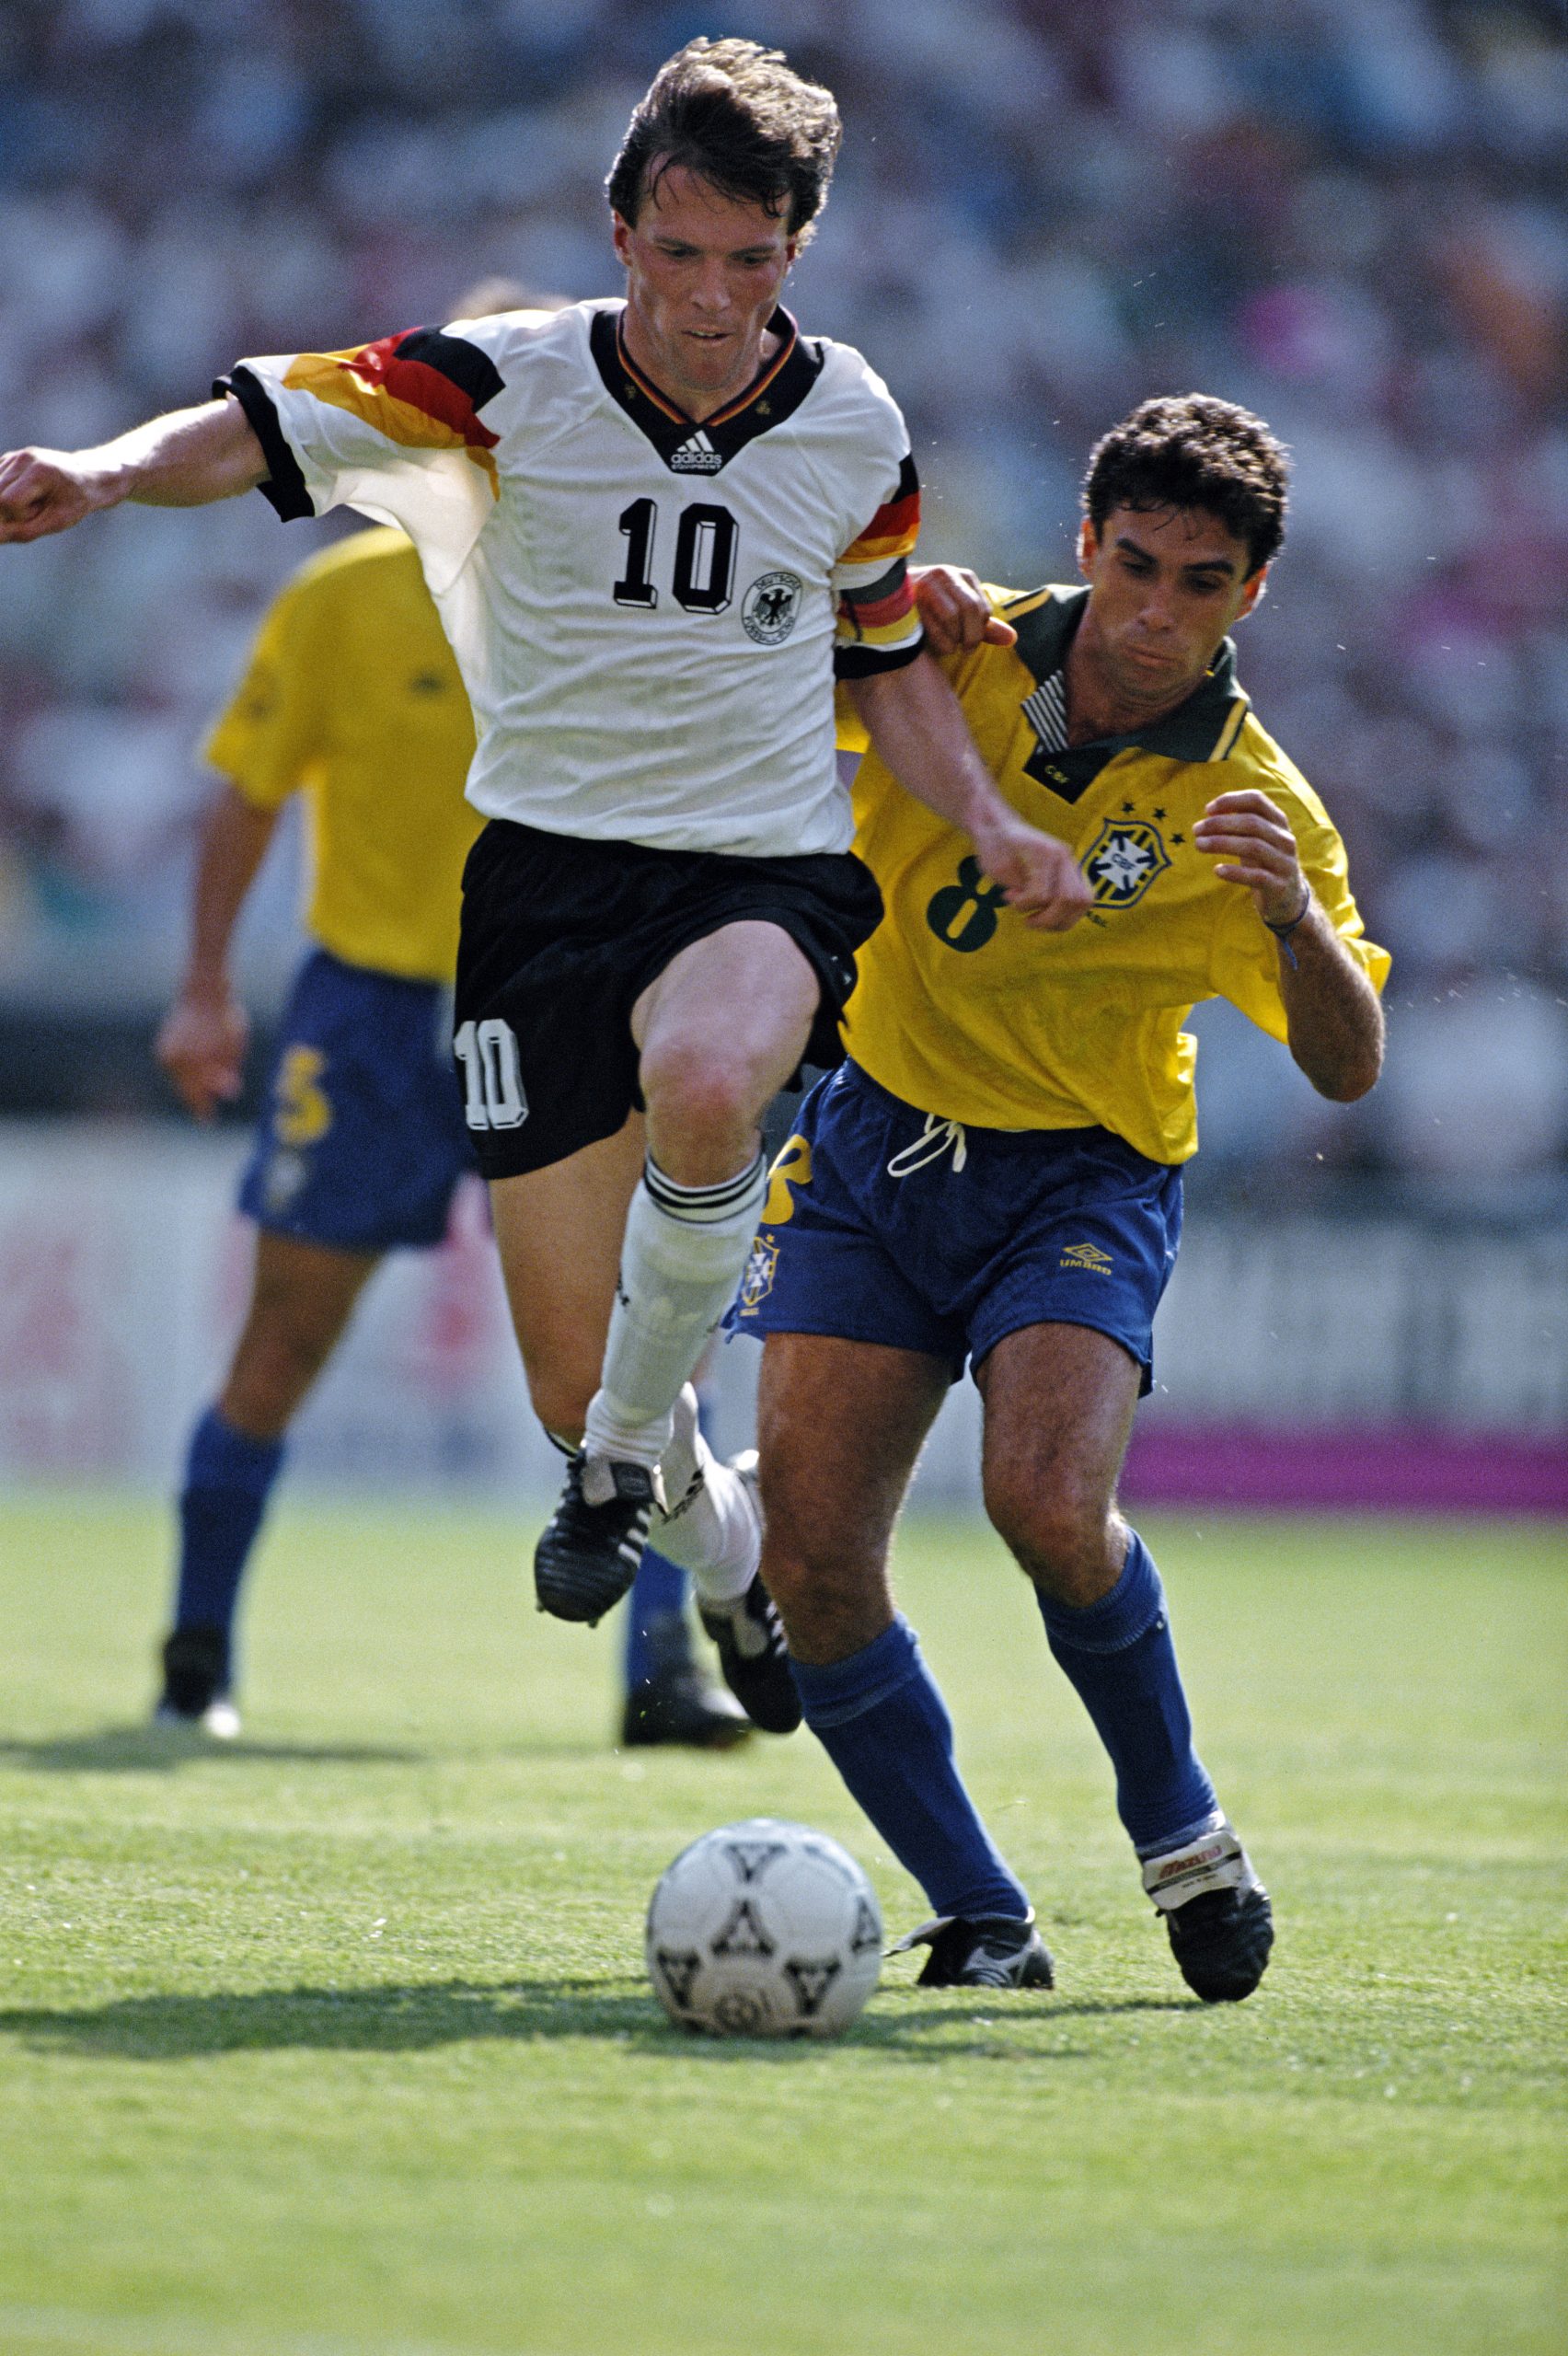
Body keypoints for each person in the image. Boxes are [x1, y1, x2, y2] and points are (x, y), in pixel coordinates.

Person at [0, 39, 1088, 1735]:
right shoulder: (502, 388)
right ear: (618, 231)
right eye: (680, 253)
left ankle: (609, 1495)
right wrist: (109, 471)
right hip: (540, 900)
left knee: (716, 1079)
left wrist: (988, 823)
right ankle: (714, 1564)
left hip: (760, 873)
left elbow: (882, 663)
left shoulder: (857, 421)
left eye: (752, 259)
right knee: (582, 1397)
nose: (711, 297)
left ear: (799, 250)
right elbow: (263, 418)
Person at [733, 395, 1389, 1996]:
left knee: (1043, 1502)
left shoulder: (1258, 807)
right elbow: (748, 654)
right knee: (814, 1563)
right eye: (1139, 566)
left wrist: (1297, 925)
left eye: (1204, 584)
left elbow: (1348, 1066)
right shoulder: (949, 642)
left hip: (1081, 1177)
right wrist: (868, 590)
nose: (1159, 615)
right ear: (1086, 544)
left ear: (1253, 597)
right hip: (874, 1135)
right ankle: (982, 1915)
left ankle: (1183, 1836)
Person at [154, 281, 748, 1750]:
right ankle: (196, 1656)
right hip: (374, 1010)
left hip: (569, 996)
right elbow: (246, 793)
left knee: (640, 1341)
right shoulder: (344, 597)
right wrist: (206, 985)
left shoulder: (630, 591)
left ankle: (663, 1674)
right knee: (289, 1331)